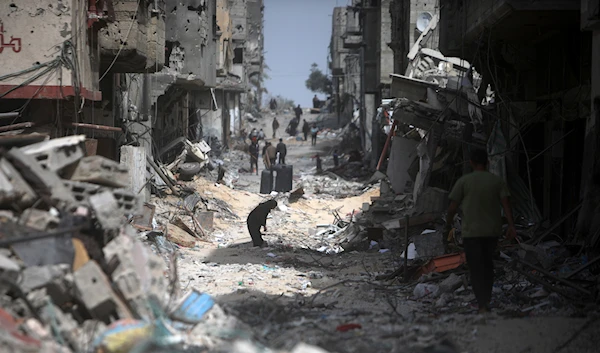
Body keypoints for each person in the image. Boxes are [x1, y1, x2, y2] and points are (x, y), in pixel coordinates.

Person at [445, 149, 516, 314]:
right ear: (487, 162)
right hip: (492, 232)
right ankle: (487, 300)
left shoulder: (464, 181)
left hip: (471, 233)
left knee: (476, 268)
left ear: (471, 162)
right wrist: (512, 226)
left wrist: (447, 225)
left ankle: (482, 304)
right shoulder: (496, 181)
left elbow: (452, 208)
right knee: (487, 266)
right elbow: (507, 206)